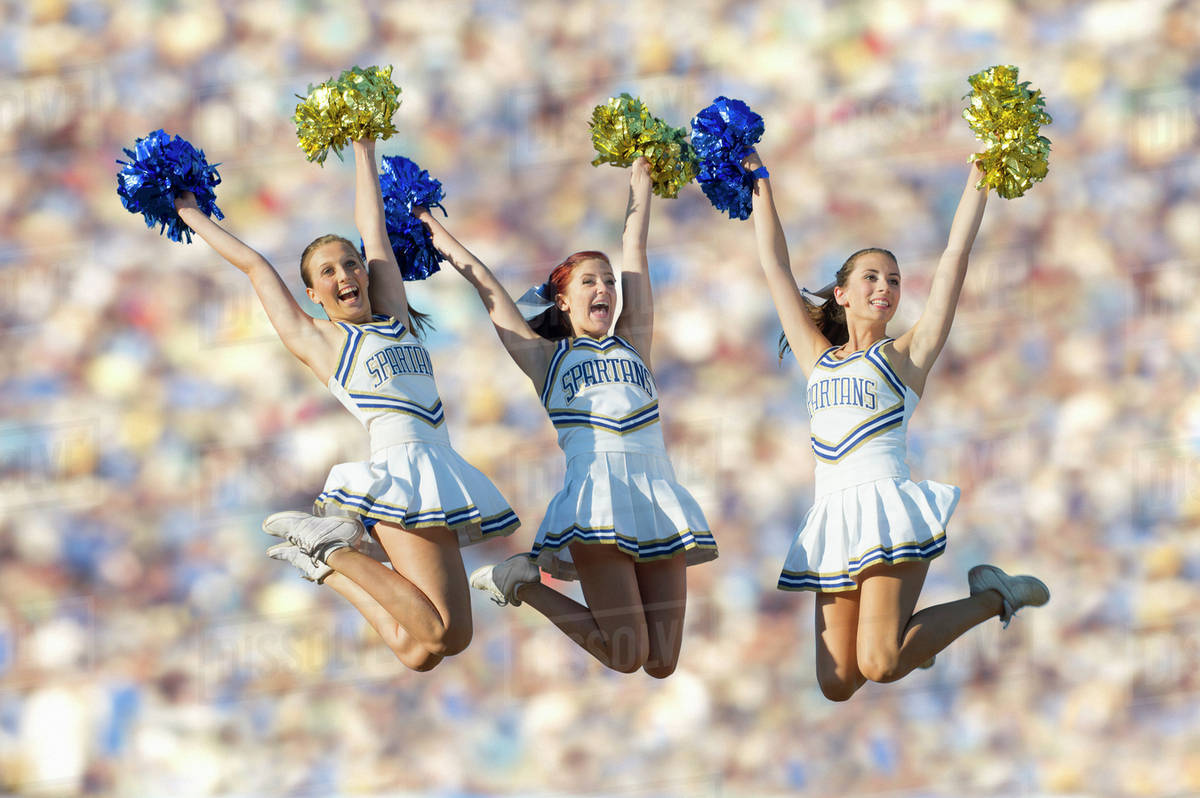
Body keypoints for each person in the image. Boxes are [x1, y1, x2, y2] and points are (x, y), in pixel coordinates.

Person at [171, 137, 519, 671]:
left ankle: (323, 566)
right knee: (443, 634)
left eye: (350, 264)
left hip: (437, 466)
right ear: (313, 293)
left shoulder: (395, 318)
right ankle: (332, 548)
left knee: (421, 652)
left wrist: (364, 146)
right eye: (327, 273)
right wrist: (189, 211)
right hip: (398, 477)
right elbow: (256, 266)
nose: (344, 276)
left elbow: (373, 227)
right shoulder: (323, 340)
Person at [741, 149, 1049, 701]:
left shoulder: (906, 356)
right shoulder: (818, 358)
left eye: (894, 280)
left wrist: (979, 181)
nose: (885, 286)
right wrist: (759, 179)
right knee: (837, 683)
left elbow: (955, 258)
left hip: (887, 509)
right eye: (871, 277)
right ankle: (919, 641)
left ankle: (991, 595)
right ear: (842, 293)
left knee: (880, 663)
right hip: (834, 515)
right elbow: (775, 266)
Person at [413, 157, 717, 677]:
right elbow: (487, 285)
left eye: (608, 283)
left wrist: (640, 183)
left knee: (662, 661)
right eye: (590, 283)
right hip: (595, 497)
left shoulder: (633, 341)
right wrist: (434, 231)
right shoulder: (545, 359)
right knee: (628, 656)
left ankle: (521, 579)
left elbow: (635, 252)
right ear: (564, 299)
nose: (604, 289)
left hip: (657, 492)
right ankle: (525, 584)